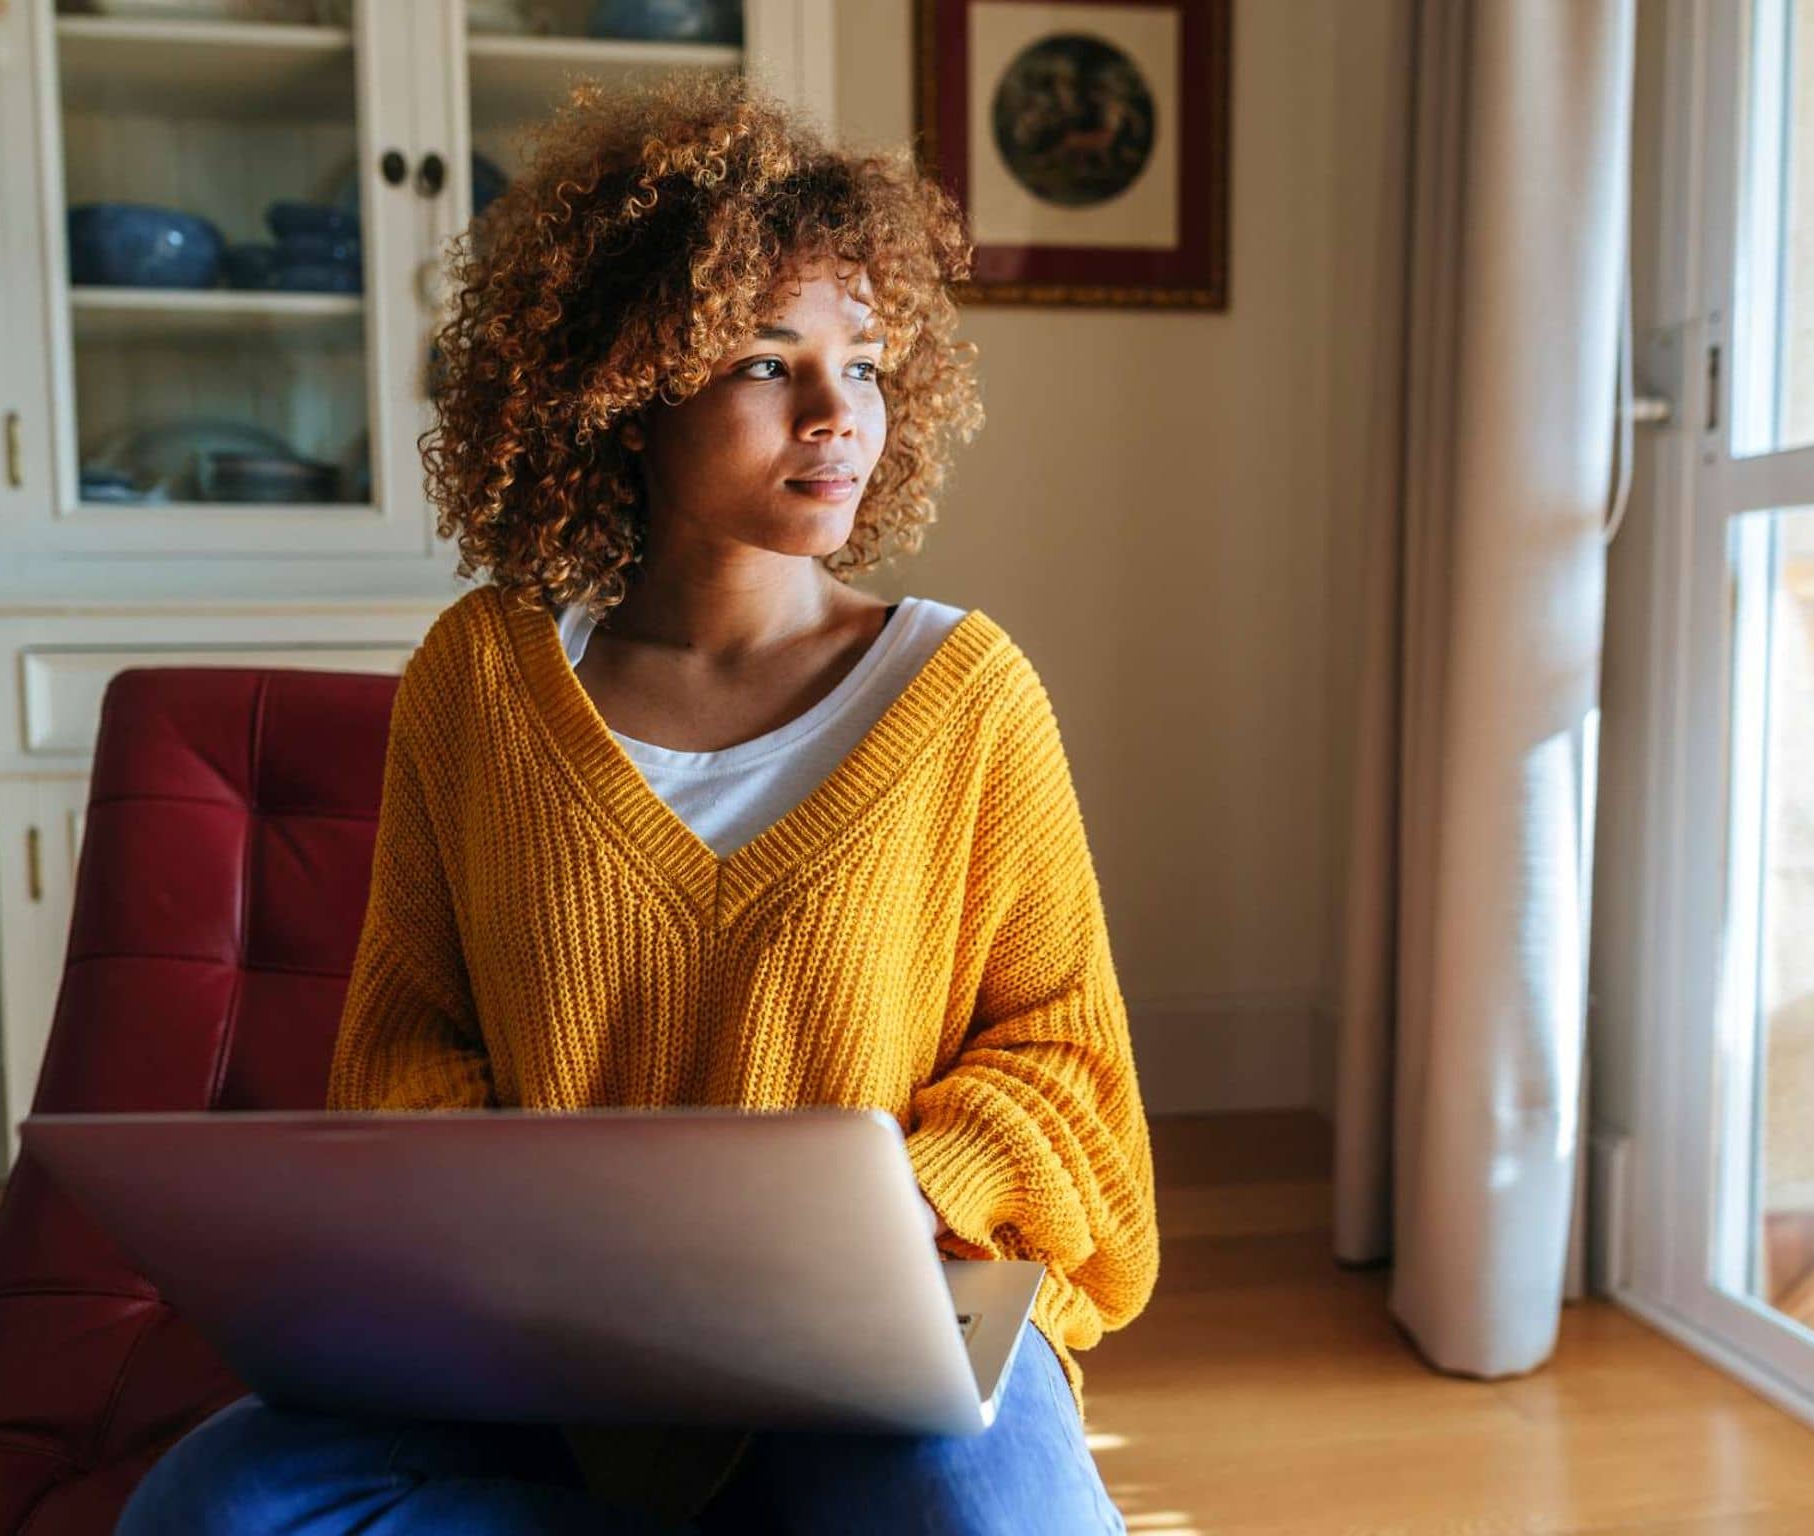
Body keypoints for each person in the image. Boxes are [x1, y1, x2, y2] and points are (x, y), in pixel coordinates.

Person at [115, 67, 1155, 1535]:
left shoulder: (966, 697)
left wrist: (902, 1208)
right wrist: (529, 1241)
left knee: (976, 1515)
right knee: (218, 1508)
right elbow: (407, 1043)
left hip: (880, 1339)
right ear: (622, 388)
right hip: (540, 1358)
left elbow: (1063, 1065)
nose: (835, 412)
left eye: (863, 364)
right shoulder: (481, 681)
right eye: (765, 363)